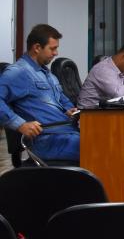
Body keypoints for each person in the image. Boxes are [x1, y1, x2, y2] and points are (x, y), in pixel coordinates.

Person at [0, 24, 79, 162]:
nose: (56, 53)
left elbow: (61, 98)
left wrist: (69, 110)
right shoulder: (19, 72)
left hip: (67, 133)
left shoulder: (48, 75)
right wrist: (20, 125)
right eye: (52, 48)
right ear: (37, 48)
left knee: (109, 138)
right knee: (104, 146)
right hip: (48, 140)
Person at [78, 43, 124, 109]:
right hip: (88, 114)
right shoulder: (103, 69)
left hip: (105, 112)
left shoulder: (121, 71)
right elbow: (119, 93)